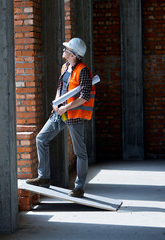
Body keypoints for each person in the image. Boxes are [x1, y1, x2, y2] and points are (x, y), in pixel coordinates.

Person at [26, 38, 96, 197]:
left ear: (73, 54)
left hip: (74, 115)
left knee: (80, 152)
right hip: (59, 113)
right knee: (41, 139)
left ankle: (79, 188)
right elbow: (60, 87)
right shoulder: (64, 67)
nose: (63, 50)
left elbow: (84, 96)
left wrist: (66, 107)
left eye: (66, 49)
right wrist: (56, 103)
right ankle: (43, 177)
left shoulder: (83, 71)